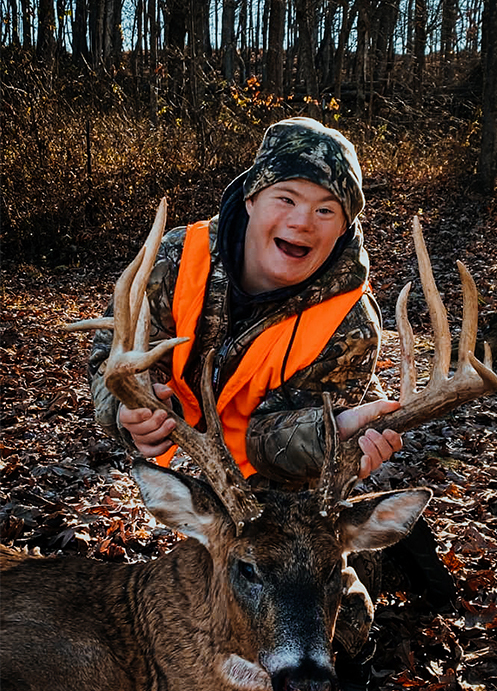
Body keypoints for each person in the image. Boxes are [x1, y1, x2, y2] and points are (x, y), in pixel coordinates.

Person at [87, 117, 454, 621]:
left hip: (279, 474)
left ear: (345, 226)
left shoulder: (350, 324)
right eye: (286, 198)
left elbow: (270, 438)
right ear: (250, 199)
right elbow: (112, 355)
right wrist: (128, 412)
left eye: (327, 210)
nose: (303, 222)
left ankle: (375, 584)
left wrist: (331, 435)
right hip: (198, 444)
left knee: (316, 594)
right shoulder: (176, 258)